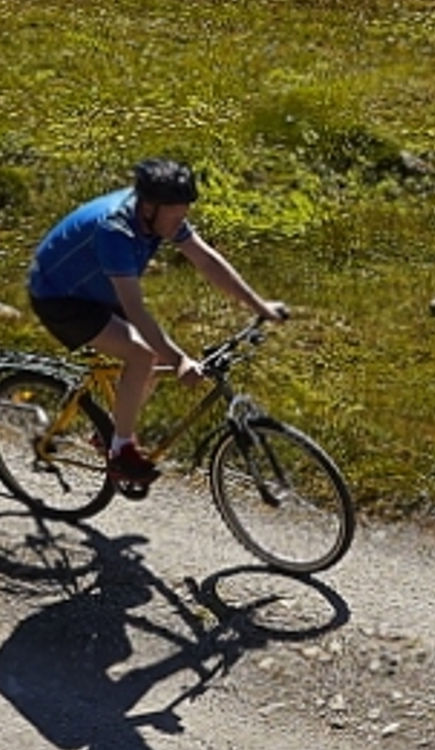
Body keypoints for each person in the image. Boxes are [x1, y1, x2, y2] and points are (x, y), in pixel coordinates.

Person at [25, 158, 281, 496]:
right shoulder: (115, 230)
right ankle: (120, 450)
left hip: (97, 286)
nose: (181, 223)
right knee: (144, 354)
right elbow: (136, 310)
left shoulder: (159, 217)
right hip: (60, 297)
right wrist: (180, 362)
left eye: (184, 214)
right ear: (148, 207)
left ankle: (111, 431)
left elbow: (206, 260)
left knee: (153, 359)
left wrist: (259, 305)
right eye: (176, 216)